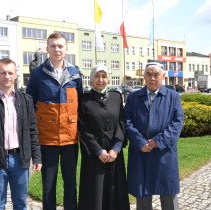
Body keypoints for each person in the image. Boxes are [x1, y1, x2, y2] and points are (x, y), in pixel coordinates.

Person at [0, 58, 42, 210]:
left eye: (10, 72)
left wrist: (36, 156)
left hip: (20, 160)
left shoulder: (26, 100)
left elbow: (32, 130)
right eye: (3, 73)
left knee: (21, 204)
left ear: (16, 74)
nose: (7, 76)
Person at [26, 32, 82, 210]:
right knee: (48, 183)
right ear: (47, 48)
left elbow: (80, 102)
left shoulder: (75, 73)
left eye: (60, 46)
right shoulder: (37, 73)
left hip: (70, 138)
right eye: (53, 46)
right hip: (47, 138)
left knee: (70, 182)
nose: (57, 49)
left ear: (67, 49)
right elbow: (29, 103)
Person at [125, 60, 184, 210]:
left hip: (164, 153)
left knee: (168, 196)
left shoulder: (173, 96)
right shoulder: (133, 97)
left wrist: (158, 141)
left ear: (163, 76)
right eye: (149, 75)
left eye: (156, 75)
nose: (152, 78)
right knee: (143, 196)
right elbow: (127, 121)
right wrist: (140, 142)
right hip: (141, 153)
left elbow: (177, 122)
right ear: (144, 77)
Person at [78, 65, 130, 210]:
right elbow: (83, 129)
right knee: (95, 192)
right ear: (91, 78)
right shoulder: (83, 100)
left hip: (114, 152)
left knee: (116, 191)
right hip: (93, 154)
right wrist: (99, 151)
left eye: (104, 76)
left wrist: (116, 148)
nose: (100, 80)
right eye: (97, 76)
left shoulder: (116, 96)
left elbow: (121, 123)